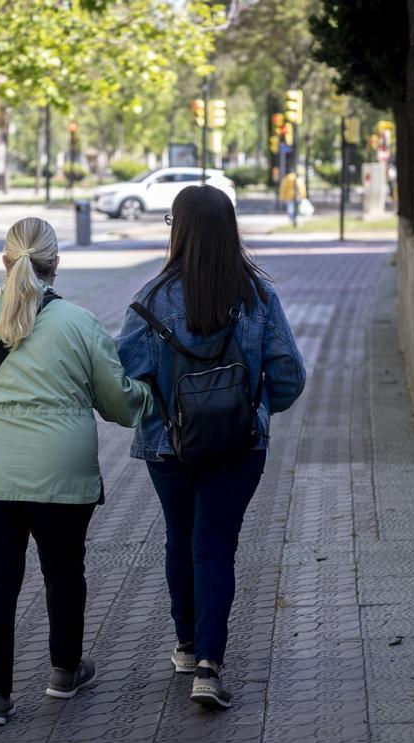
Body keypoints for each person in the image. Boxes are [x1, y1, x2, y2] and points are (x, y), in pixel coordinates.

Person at [0, 217, 152, 726]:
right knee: (64, 570)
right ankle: (65, 672)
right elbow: (119, 403)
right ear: (55, 264)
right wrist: (147, 396)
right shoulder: (81, 324)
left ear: (5, 263)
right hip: (61, 470)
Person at [116, 185, 306, 709]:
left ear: (178, 229)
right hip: (240, 446)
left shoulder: (151, 298)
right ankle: (208, 667)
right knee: (216, 545)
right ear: (229, 229)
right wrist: (256, 411)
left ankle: (185, 645)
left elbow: (125, 376)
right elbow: (289, 375)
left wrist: (157, 413)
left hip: (169, 447)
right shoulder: (258, 296)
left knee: (180, 538)